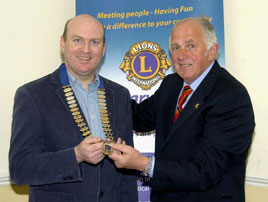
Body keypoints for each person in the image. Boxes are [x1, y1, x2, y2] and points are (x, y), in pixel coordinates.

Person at [109, 17, 255, 202]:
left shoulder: (230, 97)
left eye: (190, 46)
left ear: (212, 51)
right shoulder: (172, 84)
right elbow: (138, 117)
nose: (181, 55)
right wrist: (102, 93)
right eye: (176, 47)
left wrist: (142, 164)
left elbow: (205, 171)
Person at [9, 14, 137, 202]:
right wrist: (75, 156)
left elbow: (126, 169)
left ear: (103, 49)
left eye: (94, 42)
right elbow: (20, 169)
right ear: (63, 43)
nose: (86, 50)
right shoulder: (32, 95)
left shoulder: (119, 94)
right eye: (78, 40)